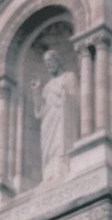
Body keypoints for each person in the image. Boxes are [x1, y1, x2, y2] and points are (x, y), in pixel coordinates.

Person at [30, 48, 78, 181]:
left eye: (50, 61)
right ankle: (49, 175)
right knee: (50, 149)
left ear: (58, 61)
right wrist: (36, 92)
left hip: (63, 116)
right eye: (46, 63)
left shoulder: (69, 76)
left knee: (60, 144)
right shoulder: (47, 87)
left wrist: (64, 97)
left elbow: (74, 98)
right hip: (48, 121)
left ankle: (61, 171)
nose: (48, 65)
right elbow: (40, 111)